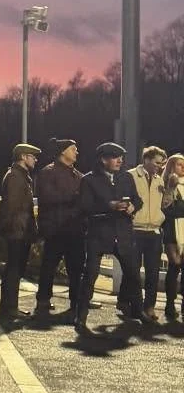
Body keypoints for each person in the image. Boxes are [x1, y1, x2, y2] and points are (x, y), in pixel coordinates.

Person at [76, 141, 143, 332]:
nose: (120, 161)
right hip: (99, 234)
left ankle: (138, 311)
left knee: (133, 273)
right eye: (115, 157)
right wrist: (110, 205)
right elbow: (85, 207)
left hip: (123, 232)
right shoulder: (89, 180)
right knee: (90, 275)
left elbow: (138, 200)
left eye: (121, 157)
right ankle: (80, 317)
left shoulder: (126, 178)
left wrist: (133, 207)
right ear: (103, 160)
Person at [32, 137, 87, 324]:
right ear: (63, 151)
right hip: (55, 228)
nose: (77, 152)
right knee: (49, 266)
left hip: (75, 229)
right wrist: (75, 197)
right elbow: (47, 197)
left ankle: (76, 301)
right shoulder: (48, 173)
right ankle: (43, 300)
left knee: (76, 267)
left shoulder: (79, 176)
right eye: (74, 148)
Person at [0, 142, 39, 324]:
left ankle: (10, 308)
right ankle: (9, 309)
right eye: (32, 156)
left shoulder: (20, 176)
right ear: (23, 157)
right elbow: (12, 207)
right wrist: (16, 229)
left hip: (19, 230)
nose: (35, 159)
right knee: (13, 270)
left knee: (15, 270)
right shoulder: (15, 177)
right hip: (16, 232)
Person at [127, 146, 168, 322]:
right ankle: (135, 307)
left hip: (154, 232)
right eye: (157, 162)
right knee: (134, 273)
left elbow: (163, 204)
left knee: (152, 272)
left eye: (162, 163)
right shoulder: (131, 176)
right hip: (135, 230)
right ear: (147, 160)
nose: (160, 166)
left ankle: (149, 307)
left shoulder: (160, 180)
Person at [163, 153, 184, 325]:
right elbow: (166, 209)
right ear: (171, 166)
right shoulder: (165, 184)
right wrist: (171, 187)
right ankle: (170, 304)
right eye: (179, 164)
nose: (182, 167)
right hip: (171, 231)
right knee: (175, 264)